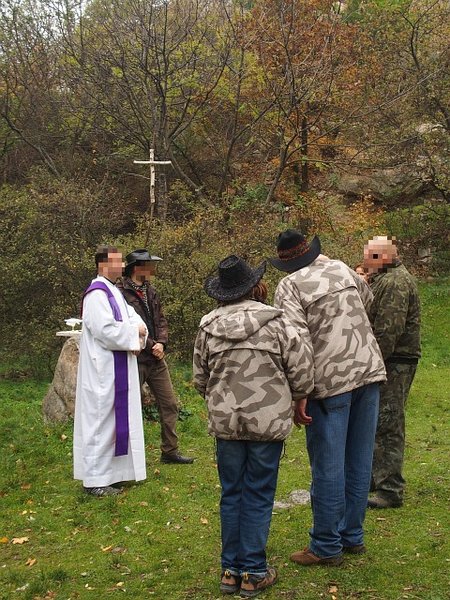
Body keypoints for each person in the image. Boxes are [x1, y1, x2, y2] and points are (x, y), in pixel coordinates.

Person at [193, 255, 314, 598]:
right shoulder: (277, 322)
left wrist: (221, 398)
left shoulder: (207, 327)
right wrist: (298, 397)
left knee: (231, 493)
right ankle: (254, 571)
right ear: (254, 286)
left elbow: (200, 378)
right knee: (259, 493)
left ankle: (230, 571)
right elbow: (301, 369)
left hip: (227, 422)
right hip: (266, 421)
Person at [270, 229, 386, 566]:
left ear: (285, 262)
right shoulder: (341, 268)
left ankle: (325, 544)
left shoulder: (289, 286)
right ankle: (352, 535)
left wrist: (300, 392)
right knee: (359, 460)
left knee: (329, 465)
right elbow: (367, 302)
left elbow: (295, 342)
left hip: (330, 382)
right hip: (368, 371)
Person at [73, 245, 148, 497]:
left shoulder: (114, 291)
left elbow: (134, 318)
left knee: (116, 421)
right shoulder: (96, 294)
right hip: (102, 370)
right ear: (103, 264)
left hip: (118, 366)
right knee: (100, 421)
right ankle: (94, 480)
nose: (122, 266)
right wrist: (133, 334)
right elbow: (104, 329)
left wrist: (138, 334)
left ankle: (113, 474)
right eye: (117, 261)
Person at [117, 249, 194, 465]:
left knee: (169, 404)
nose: (152, 269)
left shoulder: (150, 290)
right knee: (129, 408)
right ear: (137, 268)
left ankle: (170, 451)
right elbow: (127, 325)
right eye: (149, 265)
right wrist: (153, 345)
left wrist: (162, 343)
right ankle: (127, 459)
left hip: (156, 359)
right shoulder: (120, 293)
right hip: (135, 358)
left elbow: (161, 320)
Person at [364, 236, 421, 509]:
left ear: (383, 257)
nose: (365, 260)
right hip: (389, 360)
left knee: (388, 422)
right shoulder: (385, 278)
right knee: (378, 421)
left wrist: (372, 364)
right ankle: (376, 478)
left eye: (370, 256)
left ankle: (390, 489)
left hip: (395, 362)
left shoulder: (395, 282)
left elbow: (388, 330)